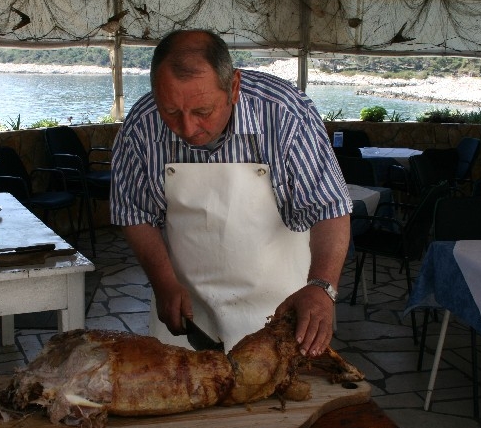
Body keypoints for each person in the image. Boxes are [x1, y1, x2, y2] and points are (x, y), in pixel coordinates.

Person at [110, 29, 352, 356]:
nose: (188, 129)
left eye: (202, 111)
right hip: (187, 315)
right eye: (170, 112)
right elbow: (135, 215)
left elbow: (329, 208)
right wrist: (163, 282)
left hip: (280, 312)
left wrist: (321, 286)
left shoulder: (284, 112)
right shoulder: (140, 127)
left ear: (233, 87)